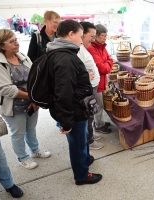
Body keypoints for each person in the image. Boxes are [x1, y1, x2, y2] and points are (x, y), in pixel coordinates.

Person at [46, 20, 102, 185]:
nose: (81, 39)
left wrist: (83, 75)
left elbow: (68, 82)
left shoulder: (62, 52)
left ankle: (84, 160)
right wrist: (66, 120)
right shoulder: (65, 58)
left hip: (77, 106)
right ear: (71, 34)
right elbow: (64, 93)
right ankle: (81, 175)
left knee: (81, 138)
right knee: (77, 142)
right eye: (80, 35)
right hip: (74, 109)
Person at [0, 29, 51, 170]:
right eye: (12, 41)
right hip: (12, 106)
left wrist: (34, 99)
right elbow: (6, 89)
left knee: (31, 128)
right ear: (1, 45)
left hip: (30, 101)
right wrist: (33, 96)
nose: (17, 43)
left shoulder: (23, 57)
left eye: (16, 39)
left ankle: (35, 150)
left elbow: (34, 78)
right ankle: (22, 158)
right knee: (18, 133)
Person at [78, 21, 104, 150]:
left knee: (91, 113)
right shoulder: (78, 50)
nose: (93, 40)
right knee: (88, 114)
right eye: (91, 36)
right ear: (82, 34)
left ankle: (90, 136)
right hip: (87, 87)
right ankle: (89, 141)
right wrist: (84, 75)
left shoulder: (83, 47)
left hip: (92, 85)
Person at [87, 24, 113, 134]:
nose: (105, 38)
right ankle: (98, 125)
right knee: (98, 104)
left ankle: (100, 122)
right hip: (95, 81)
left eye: (106, 35)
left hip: (102, 80)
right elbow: (102, 68)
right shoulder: (91, 48)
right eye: (103, 35)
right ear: (96, 35)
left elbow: (110, 59)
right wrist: (108, 64)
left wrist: (107, 63)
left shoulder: (102, 47)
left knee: (99, 102)